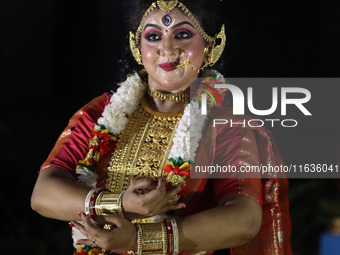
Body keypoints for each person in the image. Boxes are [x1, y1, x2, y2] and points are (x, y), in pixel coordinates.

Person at [31, 0, 292, 254]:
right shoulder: (100, 112)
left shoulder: (226, 125)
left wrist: (139, 239)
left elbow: (244, 218)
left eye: (182, 34)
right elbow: (43, 194)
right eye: (154, 36)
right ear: (137, 47)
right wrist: (118, 204)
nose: (167, 49)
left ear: (211, 46)